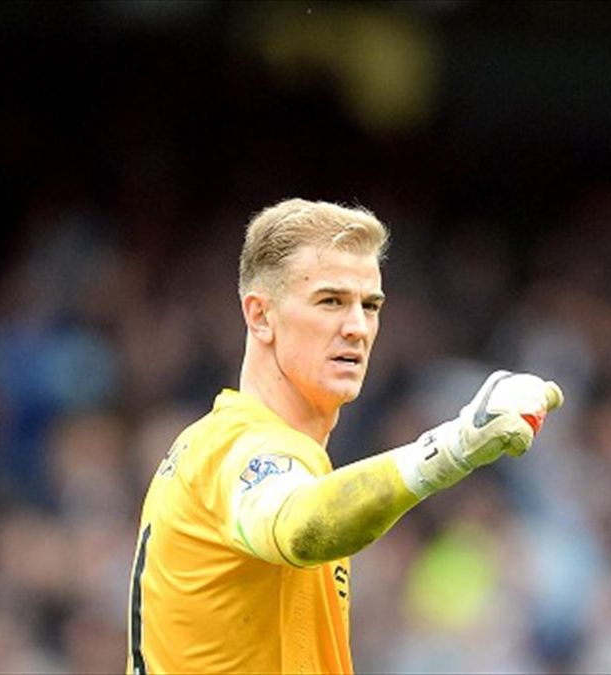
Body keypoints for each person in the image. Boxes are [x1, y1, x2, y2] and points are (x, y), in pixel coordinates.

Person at [126, 198, 563, 674]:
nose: (357, 327)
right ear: (260, 316)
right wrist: (454, 447)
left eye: (369, 306)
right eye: (330, 301)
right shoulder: (235, 447)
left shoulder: (283, 456)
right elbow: (300, 525)